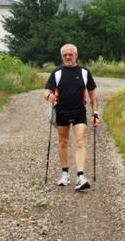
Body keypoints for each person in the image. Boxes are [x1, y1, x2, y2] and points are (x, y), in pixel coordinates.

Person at [44, 44, 100, 191]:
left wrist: (95, 113)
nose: (68, 57)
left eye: (70, 54)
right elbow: (47, 91)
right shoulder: (56, 73)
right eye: (65, 55)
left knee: (80, 141)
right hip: (61, 111)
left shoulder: (84, 72)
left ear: (76, 55)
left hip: (79, 111)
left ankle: (80, 176)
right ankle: (65, 173)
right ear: (62, 57)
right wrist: (49, 95)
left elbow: (93, 94)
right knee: (63, 142)